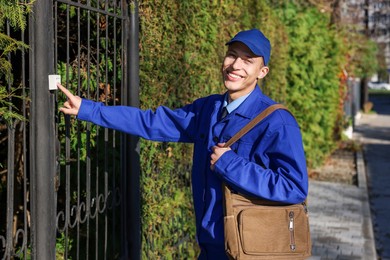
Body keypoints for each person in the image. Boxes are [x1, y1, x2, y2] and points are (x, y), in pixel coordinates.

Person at [58, 28, 308, 259]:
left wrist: (231, 164)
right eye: (232, 55)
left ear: (262, 72)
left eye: (247, 60)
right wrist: (87, 109)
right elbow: (151, 123)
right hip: (211, 248)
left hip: (251, 249)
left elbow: (294, 187)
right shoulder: (208, 109)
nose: (235, 65)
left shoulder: (277, 122)